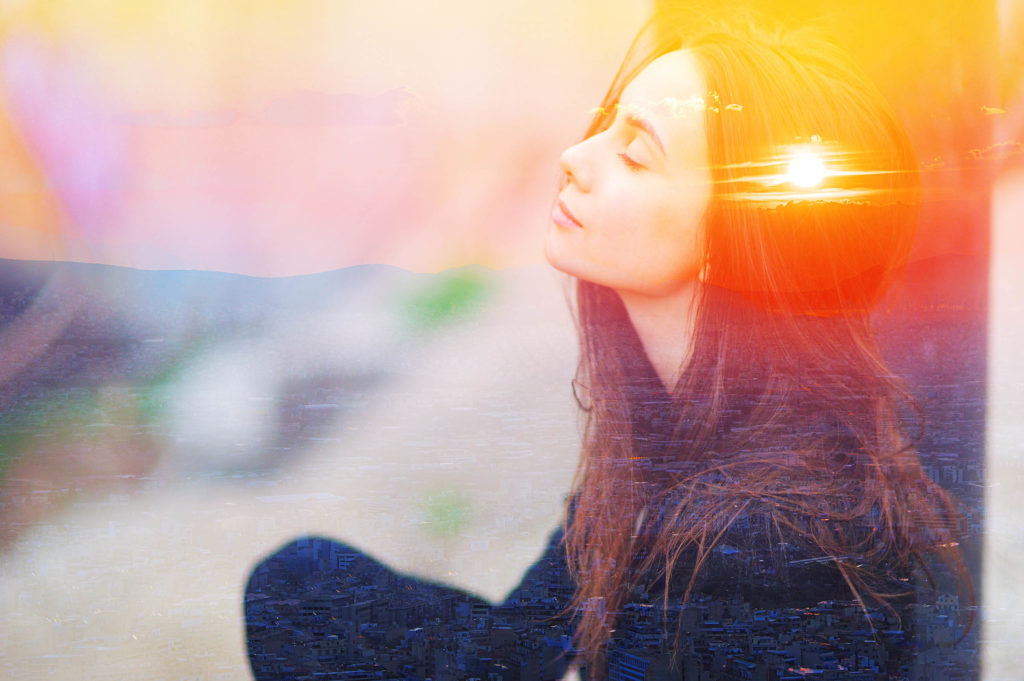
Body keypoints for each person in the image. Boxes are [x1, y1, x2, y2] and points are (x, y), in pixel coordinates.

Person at [245, 8, 973, 680]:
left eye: (634, 154)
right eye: (607, 127)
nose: (574, 156)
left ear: (735, 237)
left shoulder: (768, 550)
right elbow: (523, 645)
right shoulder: (675, 438)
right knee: (303, 588)